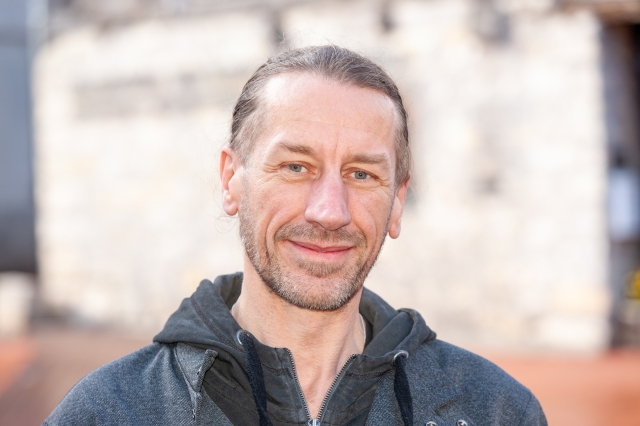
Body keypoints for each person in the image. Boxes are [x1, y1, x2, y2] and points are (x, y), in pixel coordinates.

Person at [44, 45, 547, 426]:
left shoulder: (495, 410)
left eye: (362, 174)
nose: (329, 212)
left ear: (397, 201)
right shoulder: (111, 411)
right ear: (231, 180)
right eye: (295, 166)